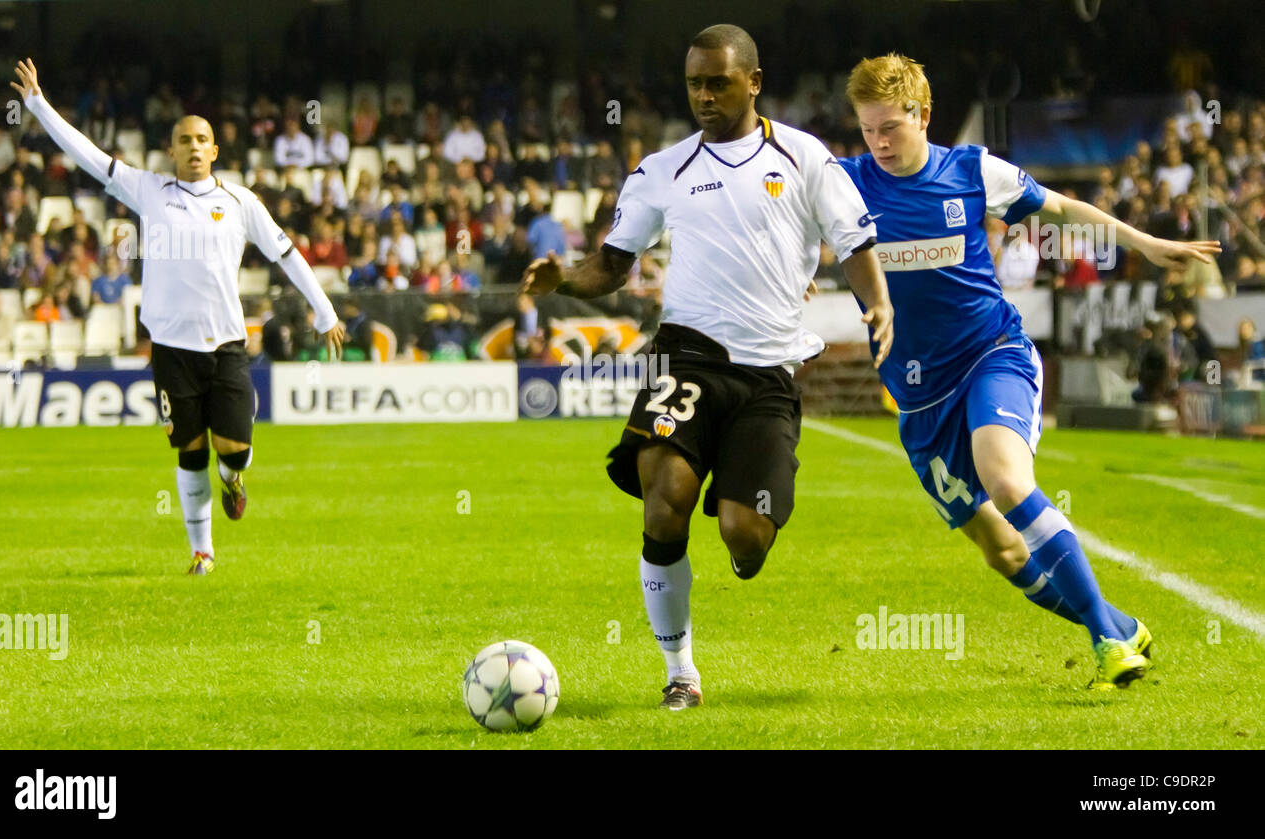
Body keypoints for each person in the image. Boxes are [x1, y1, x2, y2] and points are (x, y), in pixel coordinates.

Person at [522, 25, 893, 710]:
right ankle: (680, 673)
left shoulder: (804, 157)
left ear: (752, 81)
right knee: (664, 495)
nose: (703, 94)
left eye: (717, 81)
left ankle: (747, 501)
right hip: (687, 353)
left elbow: (855, 239)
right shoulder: (661, 171)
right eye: (694, 82)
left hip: (767, 374)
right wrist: (564, 283)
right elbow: (612, 263)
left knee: (743, 537)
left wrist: (880, 306)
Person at [838, 53, 1219, 688]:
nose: (878, 142)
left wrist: (1145, 244)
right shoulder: (843, 183)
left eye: (891, 128)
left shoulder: (971, 170)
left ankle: (1107, 641)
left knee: (1005, 478)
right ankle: (1117, 624)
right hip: (918, 402)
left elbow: (1064, 209)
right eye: (868, 128)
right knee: (1005, 551)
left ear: (924, 116)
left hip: (992, 355)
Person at [15, 58, 345, 576]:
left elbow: (285, 254)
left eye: (202, 140)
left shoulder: (240, 201)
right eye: (184, 140)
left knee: (233, 451)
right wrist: (36, 104)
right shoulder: (147, 190)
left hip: (227, 348)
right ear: (170, 150)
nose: (193, 147)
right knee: (190, 455)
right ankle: (202, 551)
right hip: (171, 351)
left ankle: (234, 478)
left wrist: (324, 312)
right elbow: (86, 154)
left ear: (215, 150)